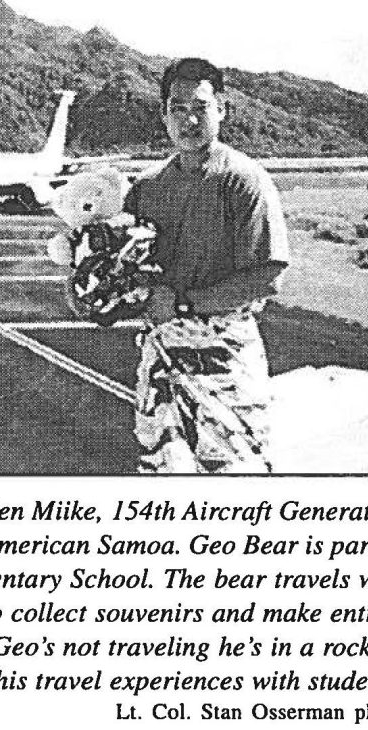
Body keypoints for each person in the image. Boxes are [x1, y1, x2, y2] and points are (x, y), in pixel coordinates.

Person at [124, 57, 290, 473]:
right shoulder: (146, 188)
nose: (189, 119)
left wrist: (182, 303)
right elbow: (129, 270)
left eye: (200, 107)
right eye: (178, 108)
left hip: (224, 359)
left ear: (222, 110)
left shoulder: (243, 180)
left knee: (236, 478)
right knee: (160, 473)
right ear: (164, 115)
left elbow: (267, 277)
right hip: (161, 356)